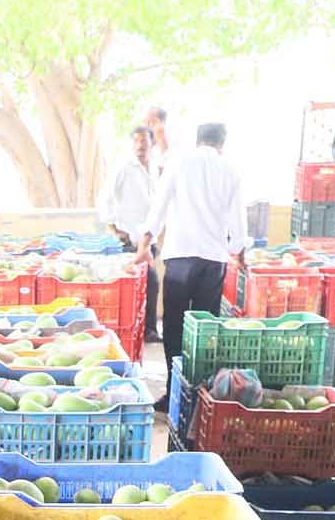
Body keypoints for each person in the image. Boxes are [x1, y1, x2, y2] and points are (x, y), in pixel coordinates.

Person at [133, 121, 247, 375]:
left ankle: (174, 387)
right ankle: (198, 388)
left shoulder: (179, 162)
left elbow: (158, 207)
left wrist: (144, 245)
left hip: (181, 257)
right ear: (222, 143)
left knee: (174, 325)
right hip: (213, 261)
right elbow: (237, 219)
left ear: (198, 140)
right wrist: (239, 252)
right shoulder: (230, 170)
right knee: (205, 329)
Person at [101, 125, 159, 342]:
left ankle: (147, 330)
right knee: (138, 284)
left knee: (149, 284)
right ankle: (134, 331)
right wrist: (113, 229)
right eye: (136, 141)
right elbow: (105, 197)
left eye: (144, 142)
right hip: (128, 240)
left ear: (151, 144)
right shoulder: (124, 167)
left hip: (147, 238)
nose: (140, 146)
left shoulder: (153, 168)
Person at [145, 106, 171, 175]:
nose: (147, 125)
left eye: (152, 122)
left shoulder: (172, 147)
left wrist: (162, 143)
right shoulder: (140, 145)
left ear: (162, 124)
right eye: (145, 121)